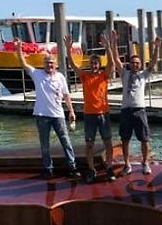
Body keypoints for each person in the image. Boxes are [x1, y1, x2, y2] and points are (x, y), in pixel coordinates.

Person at [15, 40, 80, 179]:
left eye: (52, 63)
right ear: (43, 64)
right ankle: (48, 168)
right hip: (42, 114)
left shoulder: (60, 77)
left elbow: (66, 95)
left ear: (55, 65)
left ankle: (72, 166)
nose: (49, 65)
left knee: (66, 141)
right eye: (47, 63)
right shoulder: (37, 74)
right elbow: (23, 64)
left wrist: (71, 111)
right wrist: (19, 49)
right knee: (45, 144)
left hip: (58, 115)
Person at [64, 31, 116, 183]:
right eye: (92, 63)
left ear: (100, 65)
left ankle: (109, 167)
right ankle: (91, 169)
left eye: (96, 63)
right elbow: (72, 65)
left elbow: (112, 64)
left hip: (103, 113)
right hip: (89, 115)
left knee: (108, 142)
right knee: (89, 144)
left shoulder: (104, 76)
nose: (94, 66)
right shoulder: (85, 75)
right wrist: (68, 49)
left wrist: (108, 47)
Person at [111, 35, 162, 175]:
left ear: (140, 64)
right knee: (125, 139)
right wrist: (114, 43)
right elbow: (116, 59)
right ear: (129, 64)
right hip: (126, 110)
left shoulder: (143, 75)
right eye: (133, 62)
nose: (135, 65)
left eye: (138, 63)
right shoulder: (124, 73)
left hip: (140, 110)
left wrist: (156, 47)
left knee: (144, 139)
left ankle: (145, 163)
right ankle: (127, 164)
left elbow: (153, 62)